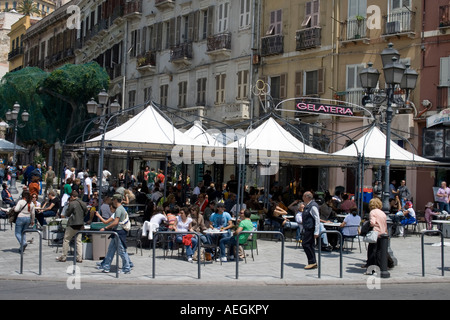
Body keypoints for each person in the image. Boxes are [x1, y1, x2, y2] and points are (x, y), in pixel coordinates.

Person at [96, 194, 133, 274]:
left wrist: (106, 228)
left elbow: (116, 222)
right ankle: (106, 266)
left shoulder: (119, 209)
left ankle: (126, 268)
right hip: (117, 232)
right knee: (111, 250)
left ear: (116, 200)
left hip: (119, 232)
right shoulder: (121, 208)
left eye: (113, 199)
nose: (112, 201)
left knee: (121, 251)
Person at [56, 191, 88, 262]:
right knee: (78, 241)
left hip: (72, 224)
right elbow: (86, 211)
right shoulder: (83, 203)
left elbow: (68, 213)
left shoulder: (72, 203)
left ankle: (64, 256)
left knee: (66, 239)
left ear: (72, 197)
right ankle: (79, 257)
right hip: (80, 224)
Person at [363, 197, 387, 275]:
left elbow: (372, 222)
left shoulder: (373, 212)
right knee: (379, 252)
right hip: (383, 234)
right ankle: (380, 268)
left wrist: (368, 225)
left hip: (375, 234)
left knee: (372, 252)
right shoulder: (382, 213)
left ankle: (371, 270)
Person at [301, 191, 320, 270]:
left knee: (306, 244)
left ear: (307, 197)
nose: (302, 198)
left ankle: (312, 262)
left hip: (310, 228)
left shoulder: (313, 206)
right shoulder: (308, 205)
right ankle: (313, 262)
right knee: (310, 245)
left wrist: (316, 231)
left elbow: (317, 218)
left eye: (303, 196)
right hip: (308, 228)